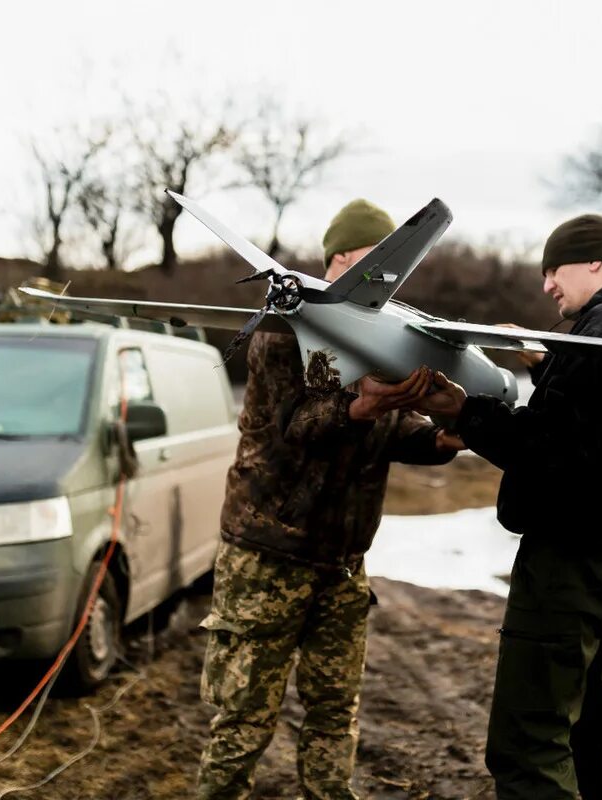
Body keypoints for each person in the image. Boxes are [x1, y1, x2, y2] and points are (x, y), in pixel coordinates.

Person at [412, 214, 602, 799]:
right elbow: (598, 434)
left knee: (527, 744)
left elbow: (550, 450)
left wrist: (466, 411)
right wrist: (549, 366)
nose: (546, 287)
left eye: (553, 270)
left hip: (570, 564)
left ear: (593, 262)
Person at [196, 199, 463, 800]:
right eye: (377, 259)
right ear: (339, 260)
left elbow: (387, 434)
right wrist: (363, 405)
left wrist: (440, 437)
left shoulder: (384, 332)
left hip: (342, 563)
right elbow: (296, 427)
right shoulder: (284, 329)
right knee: (243, 721)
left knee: (334, 713)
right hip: (268, 556)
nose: (392, 275)